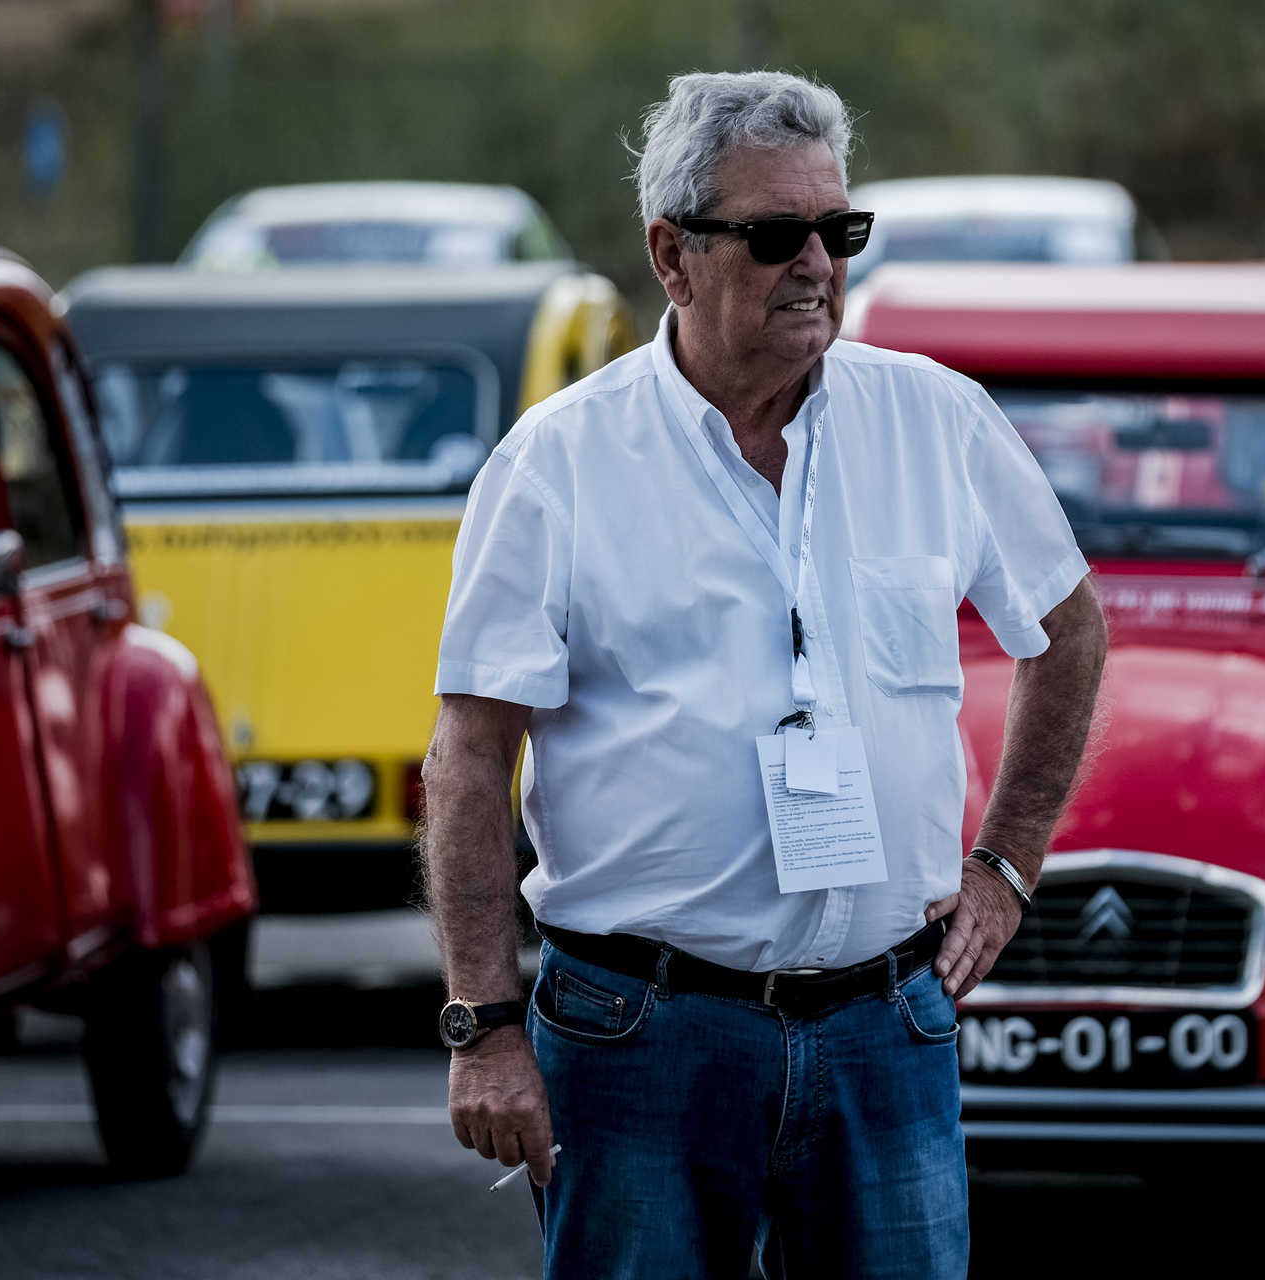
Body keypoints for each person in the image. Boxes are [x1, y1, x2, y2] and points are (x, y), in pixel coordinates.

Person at [420, 70, 1107, 1278]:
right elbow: (472, 753)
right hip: (636, 1034)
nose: (818, 265)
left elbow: (1070, 629)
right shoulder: (558, 462)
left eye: (839, 232)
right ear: (672, 256)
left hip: (885, 1023)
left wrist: (1005, 864)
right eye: (777, 234)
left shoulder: (934, 420)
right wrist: (480, 1024)